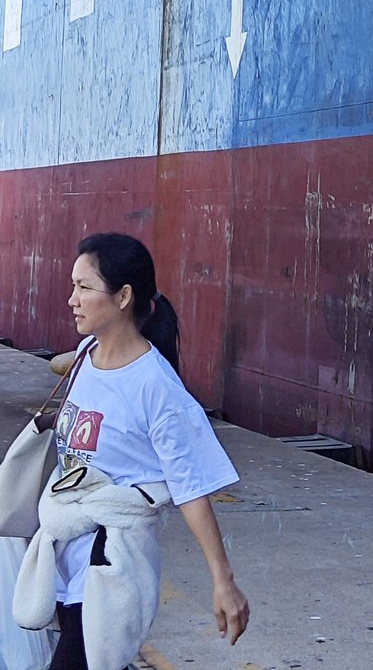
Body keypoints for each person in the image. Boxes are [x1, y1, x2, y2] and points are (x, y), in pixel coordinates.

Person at [19, 233, 249, 670]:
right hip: (64, 562)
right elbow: (60, 364)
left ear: (124, 296)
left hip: (109, 569)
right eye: (73, 286)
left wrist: (224, 582)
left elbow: (191, 491)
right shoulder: (88, 353)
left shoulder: (158, 390)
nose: (72, 299)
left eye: (84, 287)